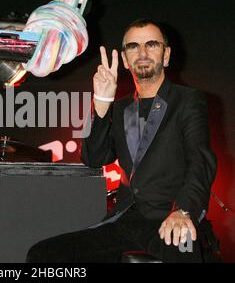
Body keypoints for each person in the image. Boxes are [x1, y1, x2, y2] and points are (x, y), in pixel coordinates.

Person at [26, 19, 217, 263]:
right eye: (133, 46)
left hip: (170, 217)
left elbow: (201, 161)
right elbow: (94, 158)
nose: (143, 53)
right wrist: (101, 104)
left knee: (183, 252)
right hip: (126, 220)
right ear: (126, 60)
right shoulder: (120, 108)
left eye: (152, 44)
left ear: (166, 55)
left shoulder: (188, 100)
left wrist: (183, 211)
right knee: (43, 255)